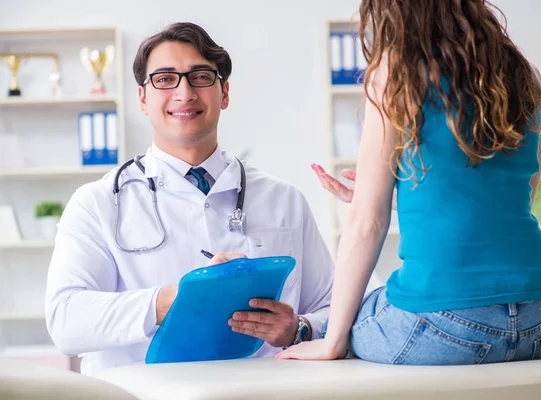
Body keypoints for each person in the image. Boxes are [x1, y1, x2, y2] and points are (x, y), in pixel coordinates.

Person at [277, 0, 541, 365]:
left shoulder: (394, 74)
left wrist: (332, 342)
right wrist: (396, 199)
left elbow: (368, 223)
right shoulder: (526, 74)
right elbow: (514, 199)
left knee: (347, 321)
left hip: (448, 323)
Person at [45, 22, 333, 375]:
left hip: (260, 392)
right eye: (165, 79)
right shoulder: (98, 203)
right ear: (143, 99)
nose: (184, 93)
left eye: (200, 77)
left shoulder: (283, 200)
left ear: (224, 93)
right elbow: (65, 320)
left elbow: (334, 308)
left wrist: (298, 328)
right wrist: (173, 299)